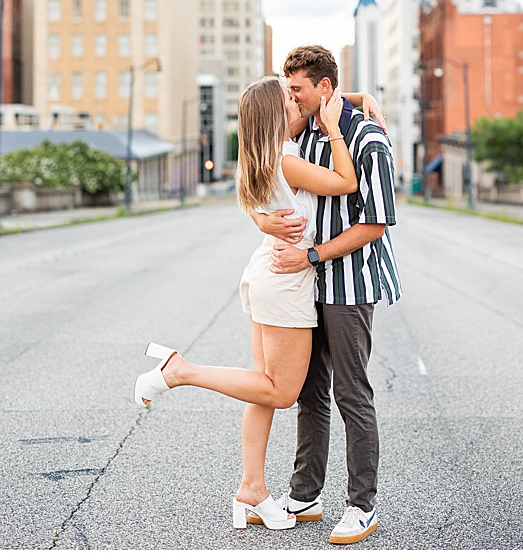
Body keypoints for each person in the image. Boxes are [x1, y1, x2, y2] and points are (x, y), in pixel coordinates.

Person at [130, 75, 359, 532]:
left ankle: (251, 489)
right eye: (289, 98)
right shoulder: (288, 161)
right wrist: (335, 129)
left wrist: (357, 97)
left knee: (261, 389)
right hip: (285, 281)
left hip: (266, 272)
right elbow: (347, 182)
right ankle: (181, 371)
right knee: (282, 392)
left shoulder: (261, 159)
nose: (297, 101)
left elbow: (314, 105)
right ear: (277, 114)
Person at [262, 44, 402, 545]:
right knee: (309, 391)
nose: (291, 99)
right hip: (308, 284)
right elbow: (261, 134)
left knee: (351, 392)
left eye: (297, 90)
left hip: (349, 282)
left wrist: (312, 255)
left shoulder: (368, 140)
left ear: (323, 88)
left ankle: (362, 505)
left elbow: (375, 224)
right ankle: (305, 495)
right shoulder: (305, 132)